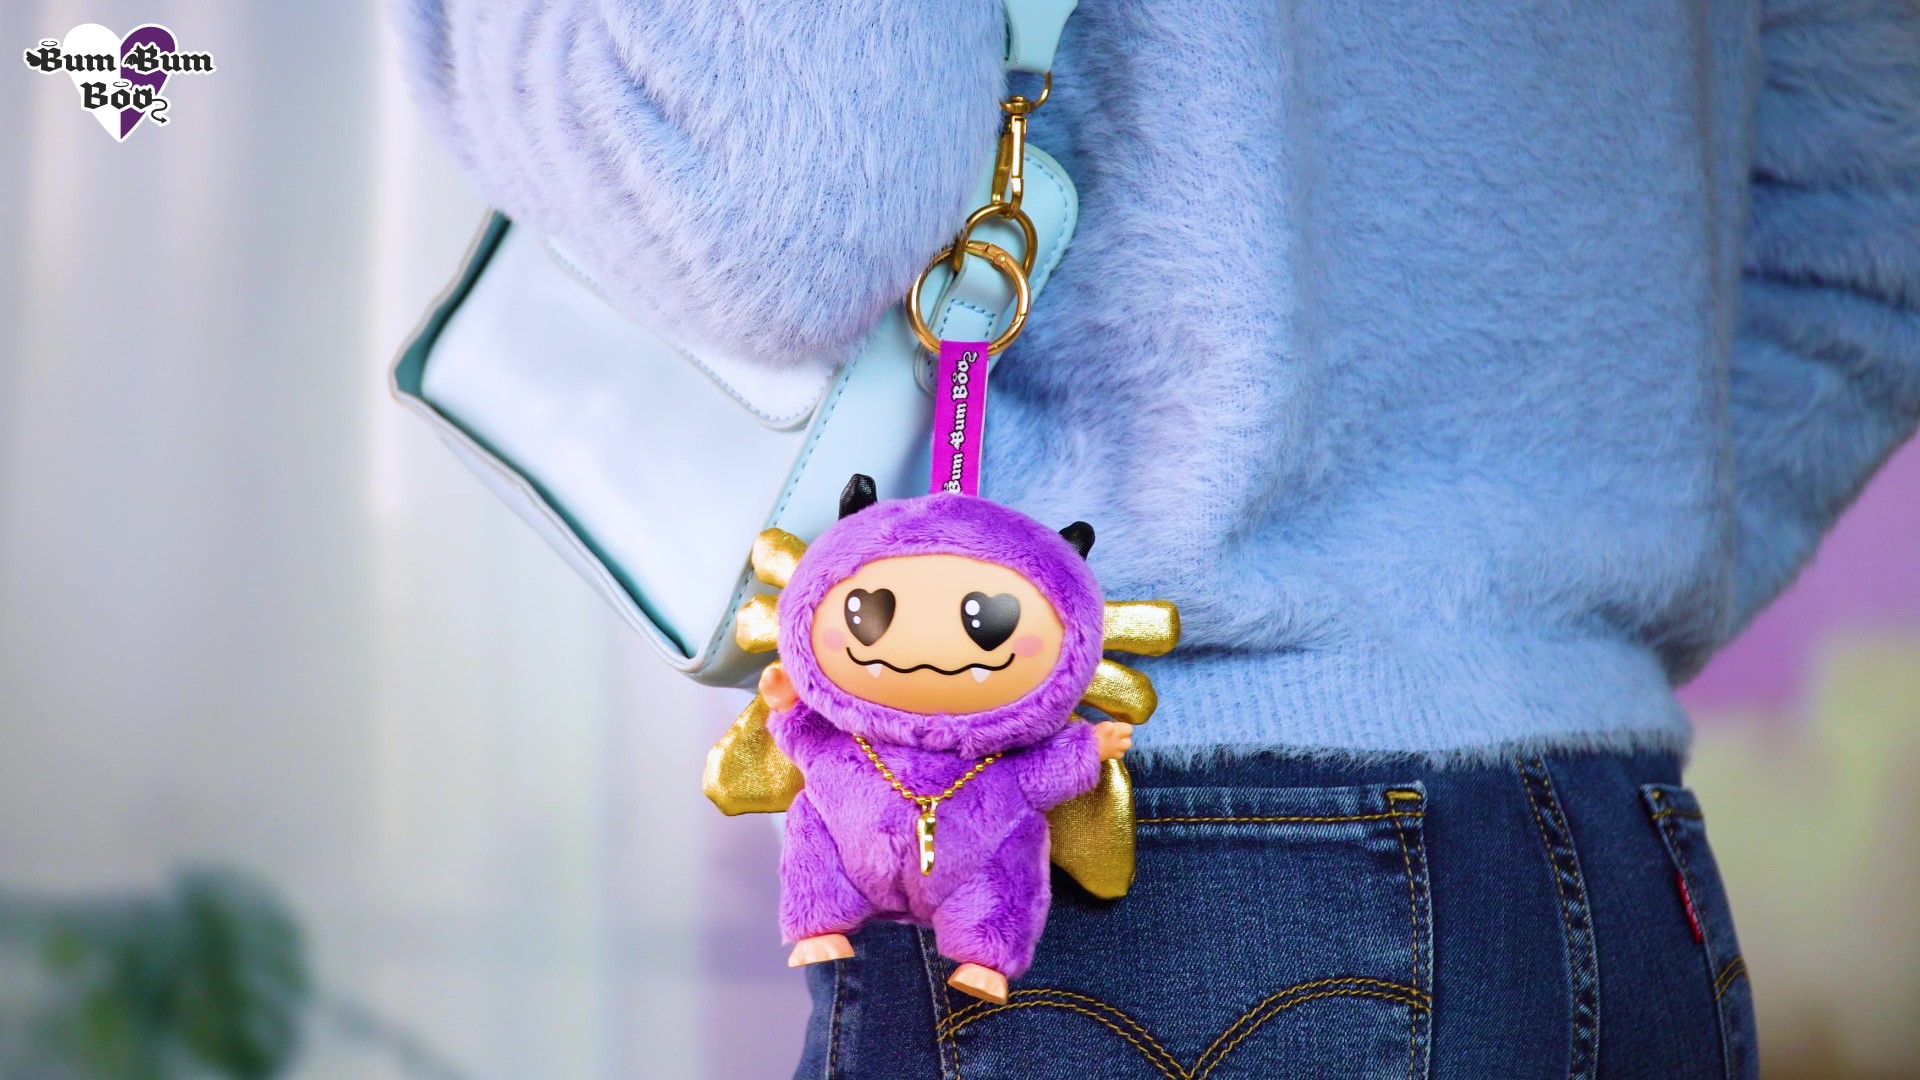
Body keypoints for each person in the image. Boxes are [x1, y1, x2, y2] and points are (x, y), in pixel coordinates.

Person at [392, 0, 1920, 1075]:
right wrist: (1528, 606)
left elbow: (781, 188)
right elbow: (1875, 219)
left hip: (1124, 873)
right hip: (1611, 873)